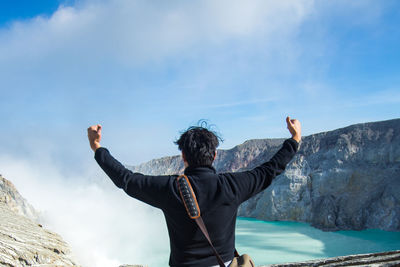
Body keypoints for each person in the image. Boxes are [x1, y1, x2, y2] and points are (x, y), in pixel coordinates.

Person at [87, 116, 301, 267]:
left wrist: (97, 147)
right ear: (214, 156)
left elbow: (127, 180)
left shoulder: (169, 189)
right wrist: (294, 140)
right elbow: (269, 170)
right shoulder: (232, 186)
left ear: (184, 157)